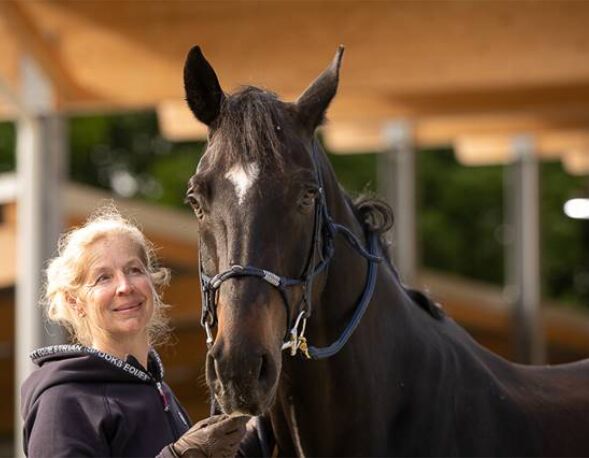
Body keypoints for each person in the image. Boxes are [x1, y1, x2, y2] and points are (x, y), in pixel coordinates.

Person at [20, 207, 250, 457]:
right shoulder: (63, 399)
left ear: (152, 282)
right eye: (103, 278)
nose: (125, 286)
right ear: (75, 302)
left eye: (134, 270)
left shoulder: (156, 389)